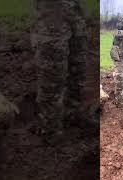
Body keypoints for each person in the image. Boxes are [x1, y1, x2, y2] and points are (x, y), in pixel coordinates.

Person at [31, 0, 89, 144]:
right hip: (52, 10)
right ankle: (50, 129)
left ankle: (73, 114)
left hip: (73, 8)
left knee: (78, 66)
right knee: (52, 73)